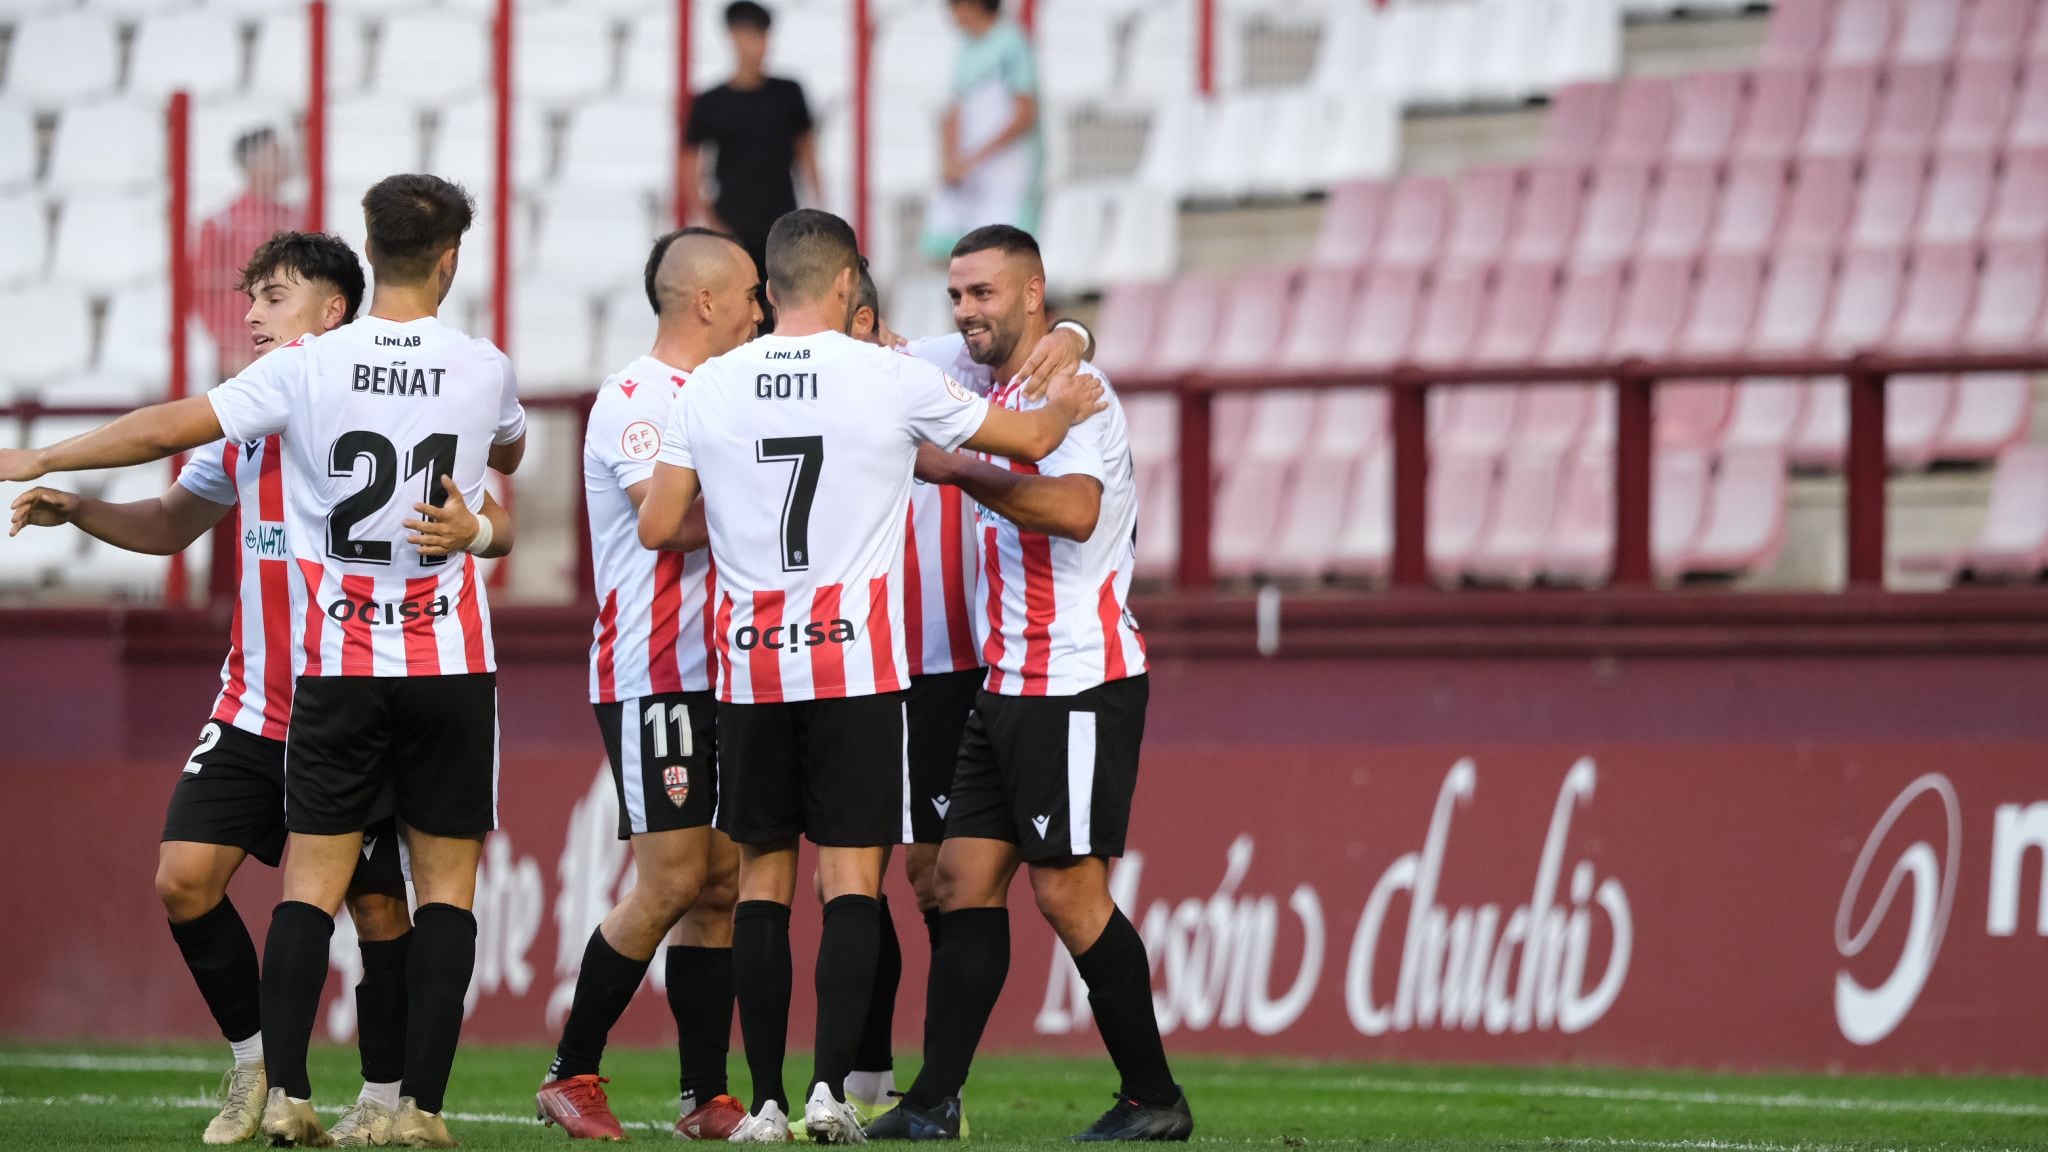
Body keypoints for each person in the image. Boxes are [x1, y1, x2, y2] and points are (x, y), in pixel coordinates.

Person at [0, 173, 527, 1149]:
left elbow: (497, 489)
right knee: (183, 880)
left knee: (375, 913)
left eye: (271, 296)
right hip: (260, 706)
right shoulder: (260, 422)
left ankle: (379, 1093)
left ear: (333, 306)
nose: (250, 315)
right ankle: (258, 1068)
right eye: (247, 300)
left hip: (344, 689)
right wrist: (85, 508)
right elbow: (169, 522)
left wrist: (45, 457)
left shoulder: (315, 382)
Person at [633, 207, 1106, 1144]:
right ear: (850, 284)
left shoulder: (711, 386)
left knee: (765, 884)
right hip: (853, 663)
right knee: (852, 882)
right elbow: (1027, 441)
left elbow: (656, 527)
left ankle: (761, 1102)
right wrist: (1071, 396)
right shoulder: (890, 378)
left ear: (767, 293)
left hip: (750, 671)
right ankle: (827, 1094)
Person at [866, 225, 1191, 1143]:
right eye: (958, 295)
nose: (967, 311)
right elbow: (881, 358)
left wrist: (962, 470)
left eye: (985, 294)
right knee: (961, 880)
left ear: (1034, 293)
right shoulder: (989, 385)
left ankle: (1153, 1095)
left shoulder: (1071, 394)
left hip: (1077, 678)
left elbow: (1078, 511)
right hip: (1007, 682)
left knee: (1068, 895)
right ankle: (932, 1104)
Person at [837, 264, 1091, 1127]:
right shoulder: (801, 383)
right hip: (857, 660)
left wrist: (1075, 333)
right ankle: (864, 1081)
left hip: (945, 660)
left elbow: (1041, 340)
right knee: (859, 873)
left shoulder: (924, 368)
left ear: (865, 318)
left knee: (929, 875)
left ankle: (939, 1084)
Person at [534, 228, 762, 1142]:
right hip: (656, 671)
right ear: (705, 302)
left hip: (732, 670)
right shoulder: (636, 398)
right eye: (750, 294)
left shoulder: (725, 391)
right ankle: (570, 1069)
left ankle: (703, 1094)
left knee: (721, 886)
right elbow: (661, 522)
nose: (761, 310)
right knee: (671, 881)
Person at [681, 2, 824, 287]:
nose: (756, 45)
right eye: (747, 34)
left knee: (783, 310)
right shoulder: (710, 102)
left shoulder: (789, 93)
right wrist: (711, 222)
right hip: (732, 224)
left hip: (784, 224)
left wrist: (820, 212)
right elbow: (689, 166)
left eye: (761, 35)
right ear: (732, 36)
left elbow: (807, 156)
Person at [920, 0, 1041, 262]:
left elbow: (1025, 112)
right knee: (955, 252)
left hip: (1007, 174)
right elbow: (954, 111)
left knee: (1004, 255)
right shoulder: (964, 48)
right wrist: (950, 159)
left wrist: (976, 157)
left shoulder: (1012, 43)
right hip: (969, 174)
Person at [196, 127, 301, 377]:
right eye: (276, 154)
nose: (286, 162)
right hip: (240, 355)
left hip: (290, 351)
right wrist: (228, 344)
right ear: (252, 163)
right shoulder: (221, 223)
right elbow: (201, 291)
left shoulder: (297, 219)